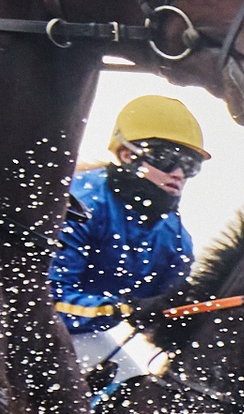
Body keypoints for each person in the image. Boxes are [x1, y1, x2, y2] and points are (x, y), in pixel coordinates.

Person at [50, 96, 206, 390]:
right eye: (166, 157)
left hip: (86, 334)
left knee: (135, 405)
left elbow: (160, 317)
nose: (178, 173)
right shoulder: (78, 203)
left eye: (190, 164)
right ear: (125, 154)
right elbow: (47, 304)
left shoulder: (177, 242)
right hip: (15, 328)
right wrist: (126, 309)